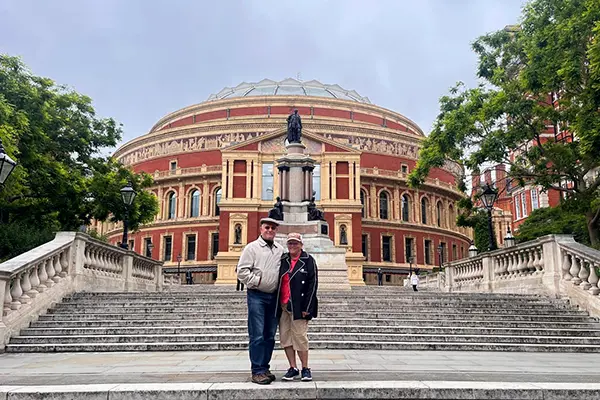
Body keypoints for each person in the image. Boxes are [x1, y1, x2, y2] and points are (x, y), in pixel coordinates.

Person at [237, 217, 285, 385]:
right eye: (267, 227)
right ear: (261, 229)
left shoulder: (279, 249)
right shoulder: (252, 248)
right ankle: (257, 371)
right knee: (257, 334)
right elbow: (241, 271)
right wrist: (257, 281)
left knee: (270, 335)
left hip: (274, 297)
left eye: (273, 228)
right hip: (257, 295)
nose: (270, 230)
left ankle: (264, 367)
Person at [277, 233, 318, 382]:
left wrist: (307, 307)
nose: (292, 246)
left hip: (299, 306)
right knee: (285, 337)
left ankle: (305, 368)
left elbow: (312, 286)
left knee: (300, 337)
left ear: (301, 245)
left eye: (295, 243)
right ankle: (293, 368)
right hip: (283, 305)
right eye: (290, 244)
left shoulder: (308, 261)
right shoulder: (283, 260)